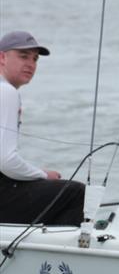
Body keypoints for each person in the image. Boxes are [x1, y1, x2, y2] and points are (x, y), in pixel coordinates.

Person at [0, 31, 85, 226]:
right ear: (2, 57)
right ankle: (61, 255)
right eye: (23, 56)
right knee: (74, 193)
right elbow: (5, 161)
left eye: (35, 59)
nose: (30, 64)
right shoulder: (6, 91)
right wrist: (42, 175)